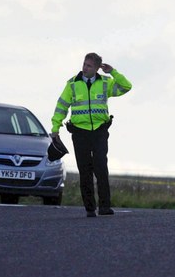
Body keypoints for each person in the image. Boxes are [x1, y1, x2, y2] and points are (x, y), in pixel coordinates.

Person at [51, 53, 132, 217]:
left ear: (96, 68)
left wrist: (113, 72)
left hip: (100, 131)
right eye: (84, 64)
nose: (84, 68)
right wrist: (55, 127)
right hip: (80, 133)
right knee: (85, 170)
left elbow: (126, 87)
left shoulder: (105, 83)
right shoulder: (72, 84)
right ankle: (90, 208)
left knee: (101, 168)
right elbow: (62, 106)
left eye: (89, 65)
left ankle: (104, 206)